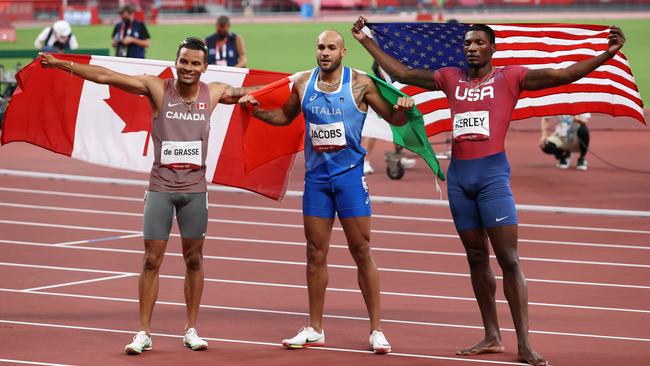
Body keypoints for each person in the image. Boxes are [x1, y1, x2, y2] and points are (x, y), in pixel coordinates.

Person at [352, 16, 625, 366]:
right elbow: (403, 74)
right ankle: (492, 335)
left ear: (492, 48)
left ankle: (524, 343)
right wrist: (365, 40)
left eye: (479, 43)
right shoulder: (450, 78)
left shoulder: (510, 77)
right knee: (476, 258)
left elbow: (562, 75)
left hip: (493, 177)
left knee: (509, 260)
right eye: (467, 43)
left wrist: (605, 55)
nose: (471, 47)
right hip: (461, 181)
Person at [40, 37, 258, 355]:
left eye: (195, 63)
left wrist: (269, 93)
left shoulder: (215, 92)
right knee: (151, 260)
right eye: (184, 61)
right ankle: (143, 332)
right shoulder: (158, 89)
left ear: (204, 67)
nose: (188, 68)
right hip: (161, 188)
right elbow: (108, 77)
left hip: (195, 191)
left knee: (194, 259)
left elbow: (249, 93)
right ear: (175, 62)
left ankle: (191, 330)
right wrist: (63, 65)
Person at [239, 30, 416, 354]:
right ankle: (315, 328)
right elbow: (284, 116)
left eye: (331, 47)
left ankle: (377, 329)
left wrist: (403, 107)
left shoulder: (361, 84)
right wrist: (256, 112)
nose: (325, 52)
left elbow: (393, 118)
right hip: (317, 181)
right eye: (320, 47)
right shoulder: (304, 84)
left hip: (349, 178)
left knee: (361, 250)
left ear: (343, 52)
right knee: (314, 253)